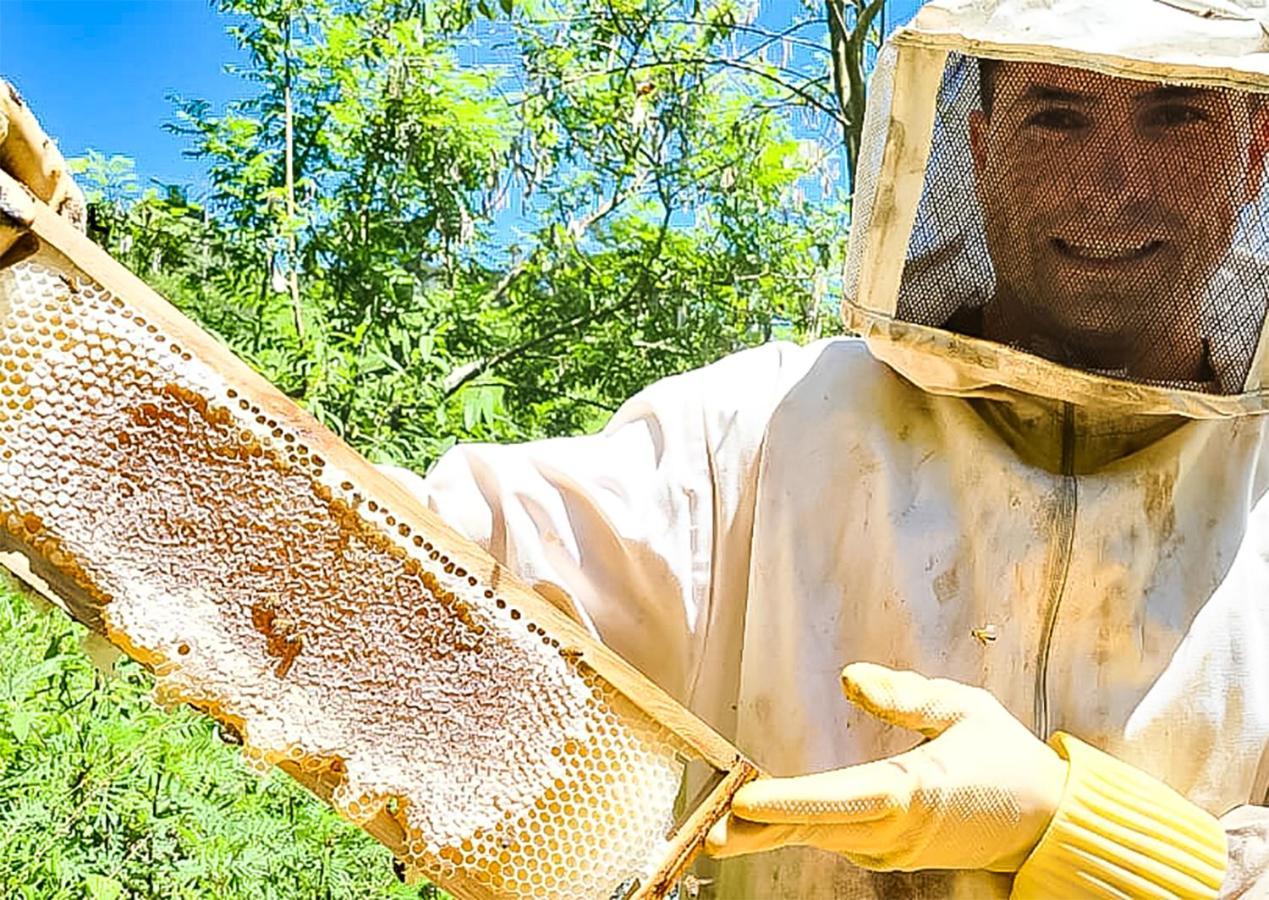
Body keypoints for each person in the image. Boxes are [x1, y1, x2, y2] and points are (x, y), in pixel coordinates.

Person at [4, 1, 1269, 897]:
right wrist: (53, 343)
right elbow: (366, 581)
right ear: (974, 141)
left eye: (1174, 117)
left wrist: (1082, 834)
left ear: (1253, 147)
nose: (1115, 188)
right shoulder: (752, 437)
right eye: (1056, 117)